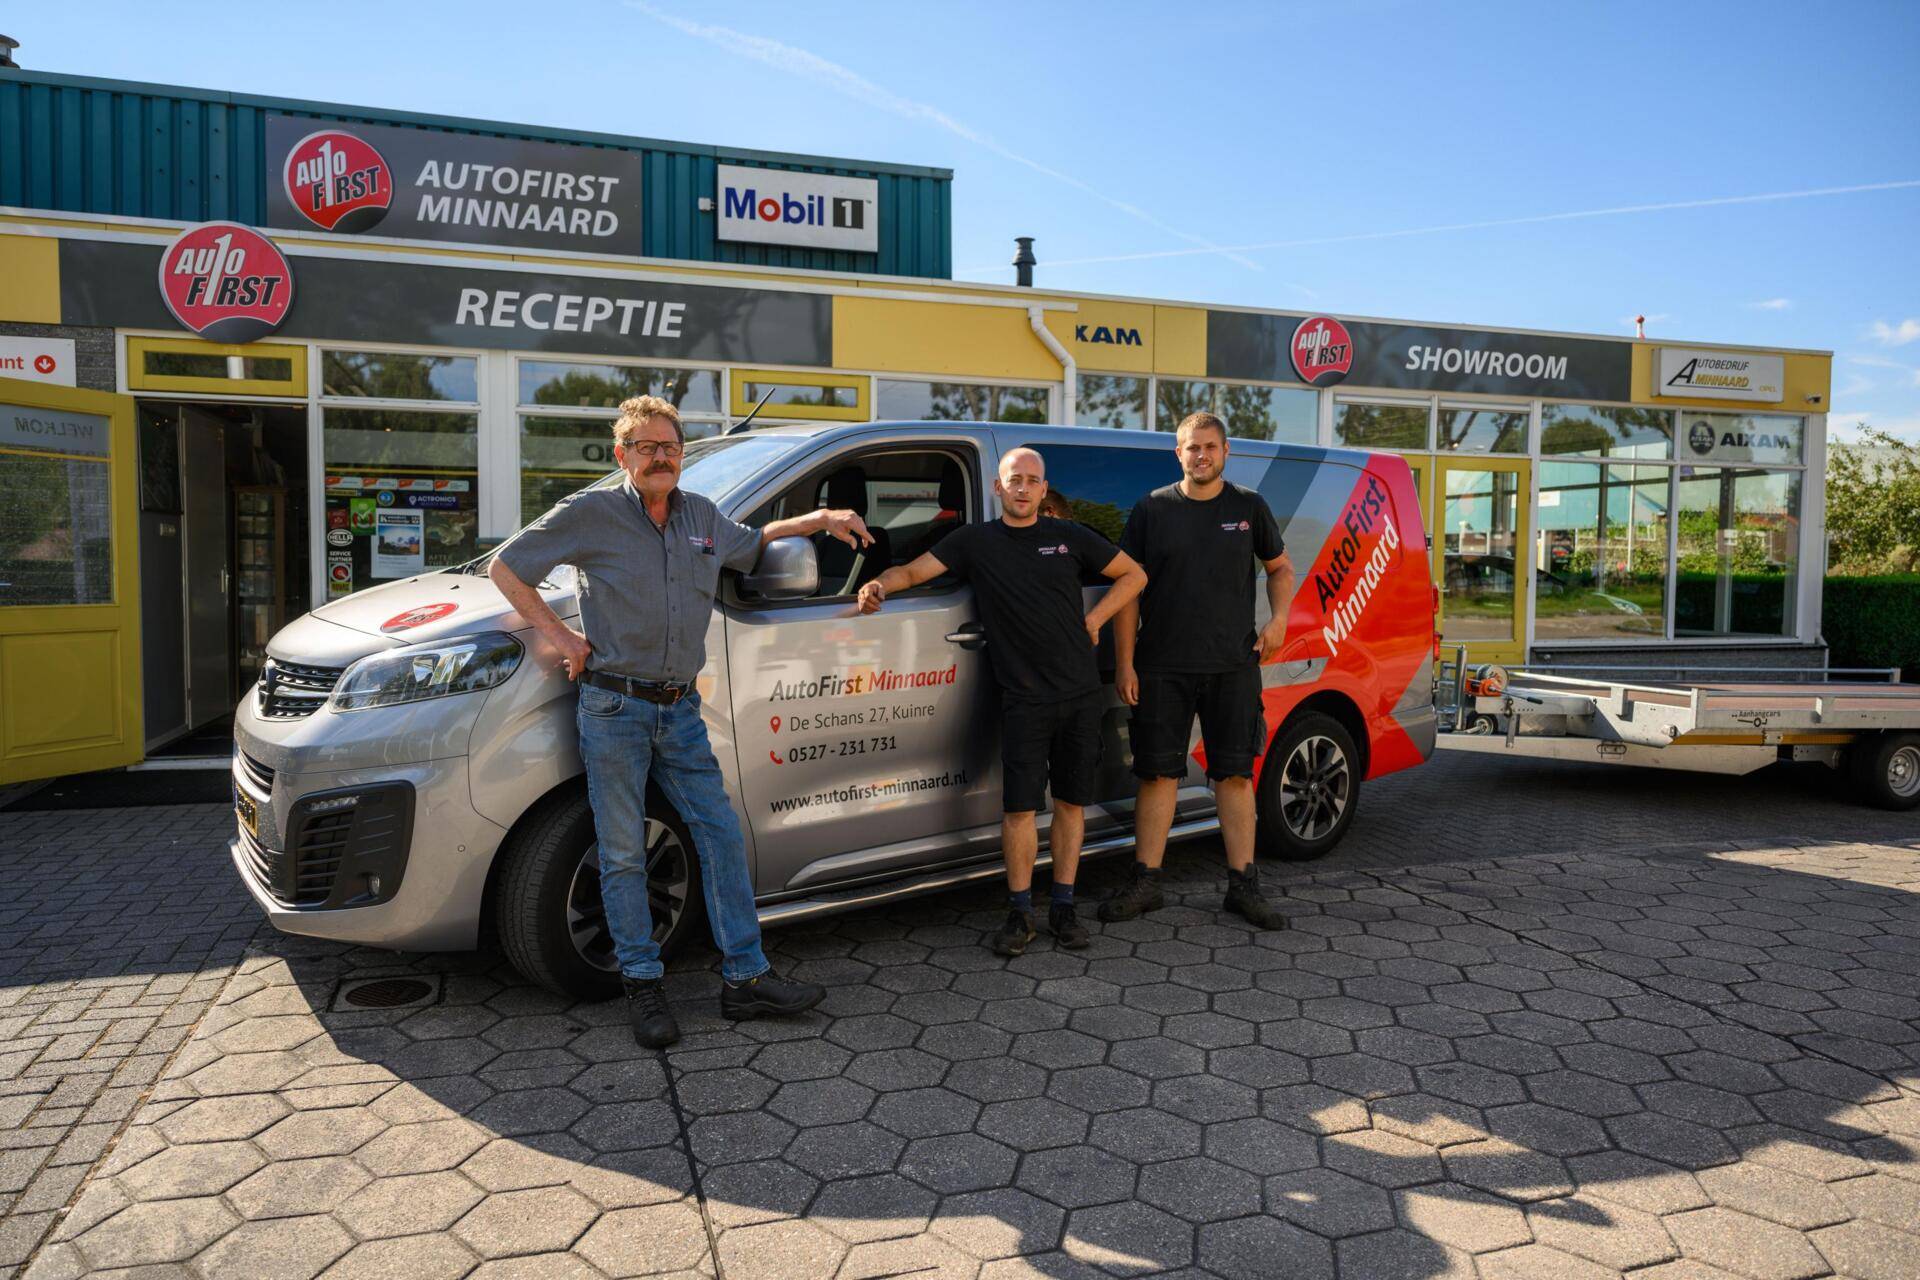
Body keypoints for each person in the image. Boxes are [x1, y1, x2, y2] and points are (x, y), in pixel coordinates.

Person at [489, 395, 873, 1049]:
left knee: (720, 835)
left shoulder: (700, 515)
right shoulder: (590, 514)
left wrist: (820, 518)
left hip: (681, 709)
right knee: (621, 851)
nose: (660, 457)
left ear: (681, 453)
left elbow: (756, 541)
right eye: (646, 447)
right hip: (614, 706)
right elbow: (507, 567)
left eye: (669, 446)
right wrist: (561, 637)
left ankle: (745, 979)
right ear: (623, 456)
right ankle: (643, 985)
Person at [857, 448, 1146, 957]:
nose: (1023, 488)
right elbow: (914, 572)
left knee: (1071, 805)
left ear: (1043, 489)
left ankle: (1063, 907)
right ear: (999, 487)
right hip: (1024, 700)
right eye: (1015, 480)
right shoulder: (975, 541)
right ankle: (1020, 913)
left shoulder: (1069, 536)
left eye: (1032, 481)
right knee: (1018, 810)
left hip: (1079, 696)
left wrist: (1096, 618)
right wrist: (879, 583)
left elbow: (1134, 575)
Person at [1104, 411, 1296, 929]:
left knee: (1234, 775)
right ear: (1179, 453)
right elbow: (1127, 590)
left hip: (1232, 666)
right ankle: (1147, 882)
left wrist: (1280, 619)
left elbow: (1279, 568)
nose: (1202, 455)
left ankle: (1243, 886)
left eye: (1210, 446)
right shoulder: (1152, 508)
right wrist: (1126, 662)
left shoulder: (1249, 507)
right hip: (1161, 667)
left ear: (1226, 451)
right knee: (1157, 775)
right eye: (1193, 447)